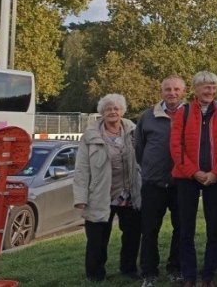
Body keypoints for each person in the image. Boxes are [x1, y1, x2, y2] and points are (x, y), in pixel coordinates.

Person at [170, 71, 217, 287]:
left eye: (213, 86)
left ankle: (208, 275)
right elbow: (176, 147)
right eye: (206, 86)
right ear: (195, 89)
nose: (210, 90)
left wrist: (216, 172)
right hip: (187, 178)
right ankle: (189, 275)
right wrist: (193, 172)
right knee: (185, 228)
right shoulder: (184, 112)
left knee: (214, 229)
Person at [74, 93, 142, 282]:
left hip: (129, 193)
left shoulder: (133, 131)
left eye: (116, 108)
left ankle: (128, 269)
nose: (112, 112)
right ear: (102, 112)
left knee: (132, 235)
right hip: (100, 193)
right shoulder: (90, 136)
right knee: (97, 238)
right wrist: (80, 198)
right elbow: (81, 169)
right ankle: (95, 274)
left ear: (122, 111)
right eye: (108, 109)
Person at [135, 76, 185, 286]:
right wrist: (150, 169)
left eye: (176, 89)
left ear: (183, 91)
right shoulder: (147, 117)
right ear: (161, 91)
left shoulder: (190, 114)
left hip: (181, 183)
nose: (172, 93)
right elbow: (139, 149)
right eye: (167, 89)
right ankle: (149, 272)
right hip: (153, 183)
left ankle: (175, 268)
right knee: (149, 230)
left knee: (181, 229)